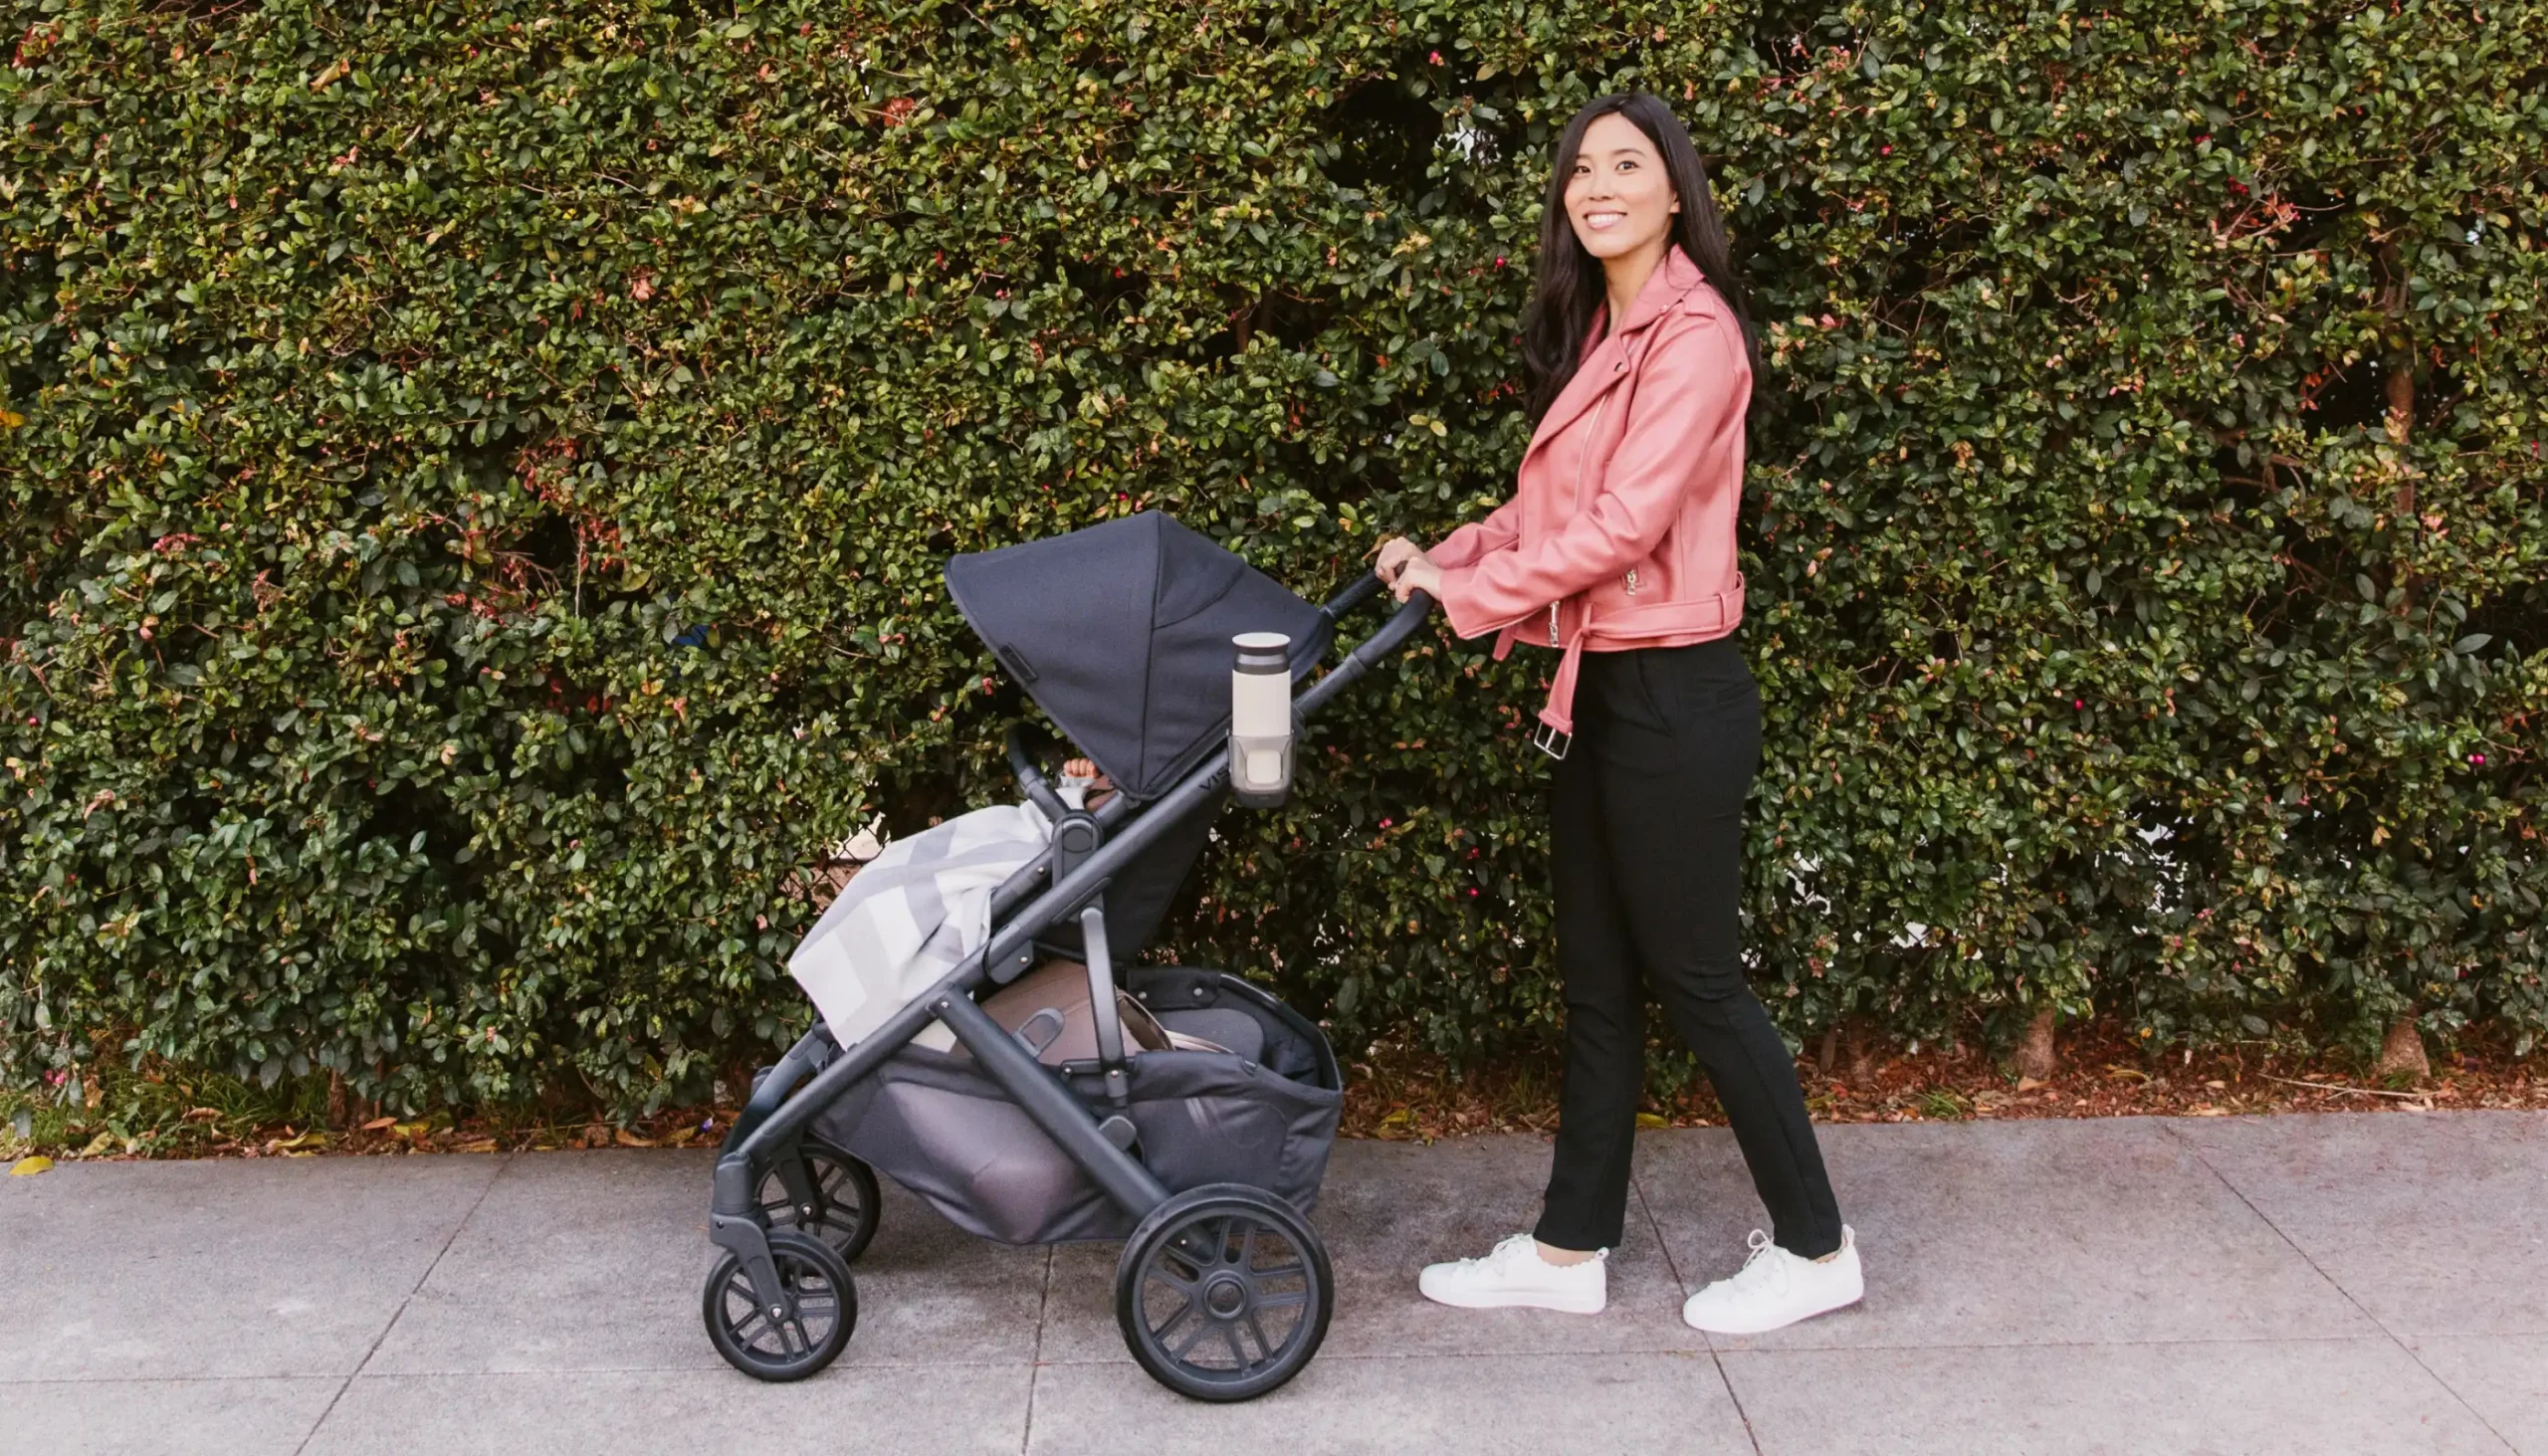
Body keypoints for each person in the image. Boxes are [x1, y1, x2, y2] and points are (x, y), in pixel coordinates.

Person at [1375, 93, 1863, 1335]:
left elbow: (1626, 527)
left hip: (1671, 693)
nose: (1596, 185)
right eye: (1580, 168)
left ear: (1671, 188)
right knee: (1596, 978)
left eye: (1625, 166)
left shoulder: (1693, 335)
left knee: (1698, 977)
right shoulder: (1613, 327)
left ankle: (1817, 1246)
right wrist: (1448, 550)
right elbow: (1554, 517)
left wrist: (1471, 591)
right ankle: (1566, 1245)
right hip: (1596, 681)